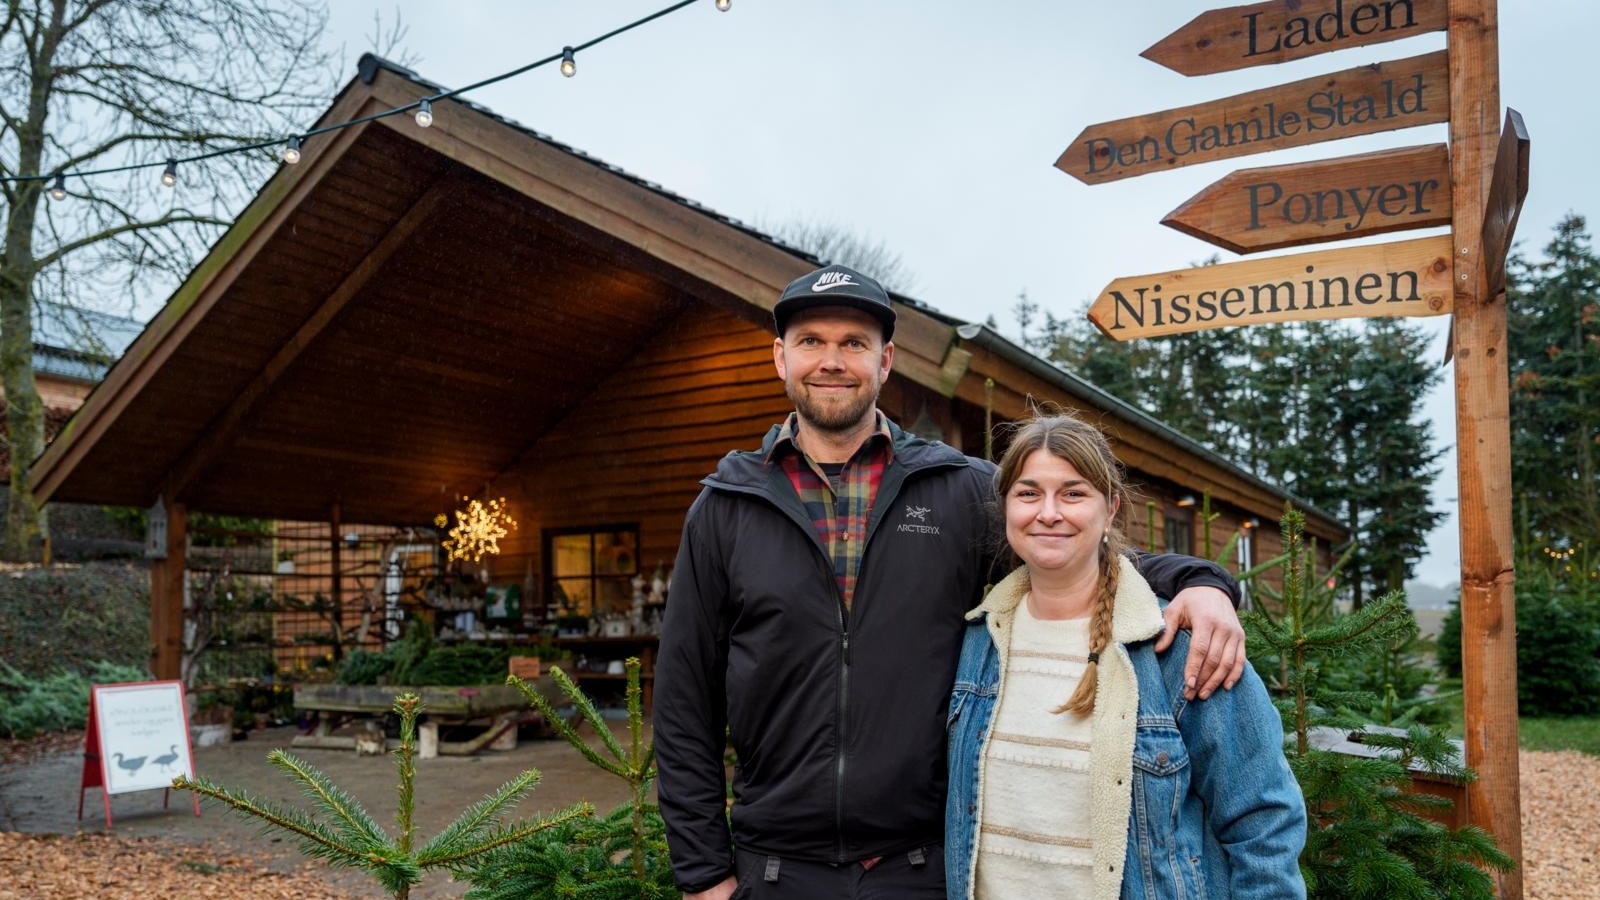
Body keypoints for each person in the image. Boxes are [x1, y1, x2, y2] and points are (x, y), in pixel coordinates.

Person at [654, 263, 1249, 900]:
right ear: (781, 357)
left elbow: (1069, 547)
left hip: (924, 867)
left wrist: (1200, 581)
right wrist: (703, 873)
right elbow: (686, 700)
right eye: (811, 342)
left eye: (853, 343)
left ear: (885, 361)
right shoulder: (726, 508)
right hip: (773, 870)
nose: (832, 360)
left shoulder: (958, 490)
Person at [944, 413, 1306, 899]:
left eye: (1073, 494)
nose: (1048, 513)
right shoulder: (978, 641)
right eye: (1028, 493)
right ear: (1005, 507)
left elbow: (1263, 821)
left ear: (1110, 509)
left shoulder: (1177, 647)